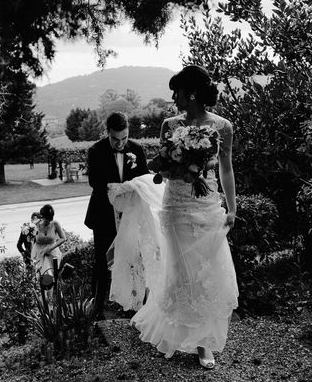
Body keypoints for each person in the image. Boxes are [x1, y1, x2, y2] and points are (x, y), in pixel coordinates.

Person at [120, 65, 238, 370]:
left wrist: (233, 206)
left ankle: (203, 340)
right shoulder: (169, 125)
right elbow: (160, 169)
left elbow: (225, 168)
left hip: (207, 205)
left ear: (193, 93)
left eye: (178, 91)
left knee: (206, 273)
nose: (173, 97)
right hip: (175, 206)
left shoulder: (223, 126)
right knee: (181, 273)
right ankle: (187, 339)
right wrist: (178, 167)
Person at [83, 112, 149, 319]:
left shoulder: (137, 150)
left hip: (130, 214)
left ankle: (133, 304)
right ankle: (98, 306)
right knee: (102, 260)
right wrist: (118, 189)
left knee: (134, 258)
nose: (120, 144)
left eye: (124, 138)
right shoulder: (95, 151)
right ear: (107, 133)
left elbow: (144, 177)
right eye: (115, 139)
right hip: (103, 213)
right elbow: (95, 182)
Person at [31, 204, 66, 294]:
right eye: (46, 219)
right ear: (42, 217)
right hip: (40, 252)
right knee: (44, 276)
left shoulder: (55, 224)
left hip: (52, 251)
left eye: (50, 219)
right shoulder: (36, 225)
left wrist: (50, 248)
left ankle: (55, 296)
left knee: (54, 275)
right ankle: (44, 298)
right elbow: (30, 238)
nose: (48, 221)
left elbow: (63, 238)